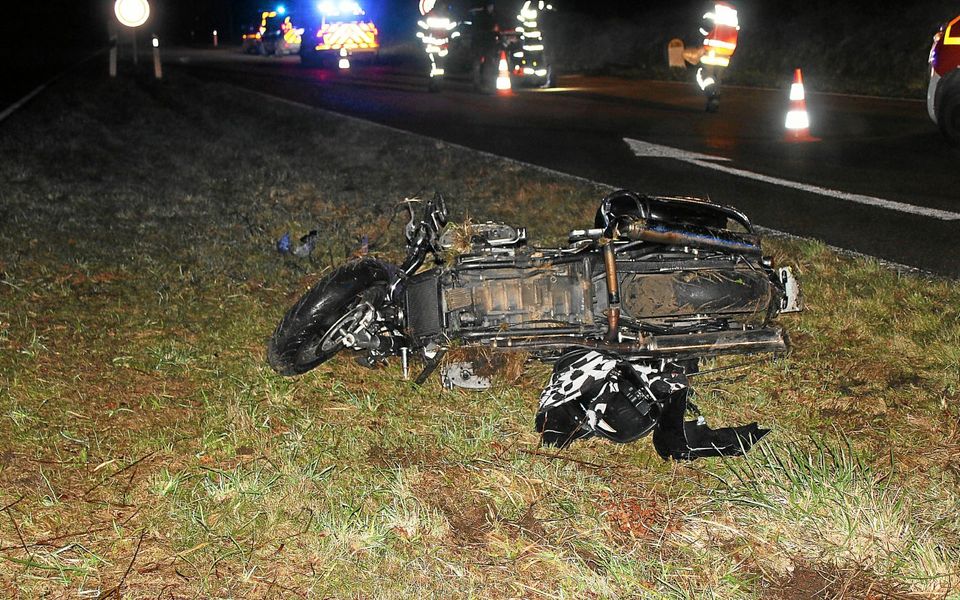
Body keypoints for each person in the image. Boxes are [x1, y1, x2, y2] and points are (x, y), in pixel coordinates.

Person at [685, 1, 739, 112]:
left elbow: (706, 27)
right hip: (727, 50)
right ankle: (713, 102)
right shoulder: (732, 10)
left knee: (703, 74)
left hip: (711, 48)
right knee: (717, 77)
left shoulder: (713, 6)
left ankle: (712, 95)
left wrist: (698, 38)